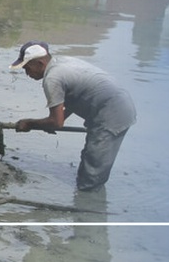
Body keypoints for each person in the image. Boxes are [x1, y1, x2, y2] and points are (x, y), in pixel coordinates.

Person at [10, 41, 136, 191]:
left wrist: (29, 123)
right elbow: (73, 99)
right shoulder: (61, 63)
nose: (27, 74)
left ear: (39, 63)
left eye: (27, 68)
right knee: (90, 158)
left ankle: (87, 209)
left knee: (92, 175)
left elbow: (57, 123)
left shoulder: (52, 79)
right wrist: (51, 122)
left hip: (112, 114)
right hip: (115, 105)